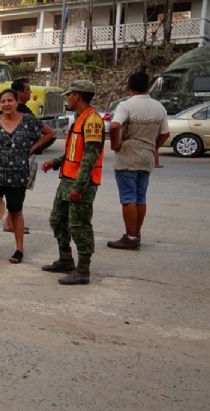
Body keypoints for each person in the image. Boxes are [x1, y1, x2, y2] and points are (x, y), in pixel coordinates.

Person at [41, 80, 106, 286]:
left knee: (79, 226)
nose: (67, 99)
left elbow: (90, 157)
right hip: (67, 179)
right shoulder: (79, 119)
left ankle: (83, 270)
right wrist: (56, 162)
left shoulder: (93, 121)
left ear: (76, 96)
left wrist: (79, 187)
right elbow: (74, 152)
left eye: (69, 95)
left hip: (81, 183)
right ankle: (66, 260)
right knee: (57, 220)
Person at [0, 89, 46, 264]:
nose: (6, 104)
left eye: (10, 100)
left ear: (17, 102)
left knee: (16, 211)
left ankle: (19, 249)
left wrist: (32, 148)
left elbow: (49, 133)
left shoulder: (28, 120)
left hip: (17, 177)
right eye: (3, 101)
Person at [107, 70, 170, 250]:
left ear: (128, 86)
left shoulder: (126, 106)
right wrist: (154, 147)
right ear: (147, 87)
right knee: (140, 197)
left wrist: (116, 144)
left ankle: (131, 237)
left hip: (128, 155)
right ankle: (136, 234)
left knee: (128, 198)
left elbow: (115, 125)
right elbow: (165, 133)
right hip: (146, 155)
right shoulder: (159, 107)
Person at [1, 78, 56, 233]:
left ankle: (10, 222)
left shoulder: (13, 113)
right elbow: (49, 132)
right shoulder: (24, 113)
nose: (30, 93)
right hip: (20, 160)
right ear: (19, 93)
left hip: (11, 160)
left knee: (15, 192)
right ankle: (11, 223)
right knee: (17, 192)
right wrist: (32, 148)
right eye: (27, 90)